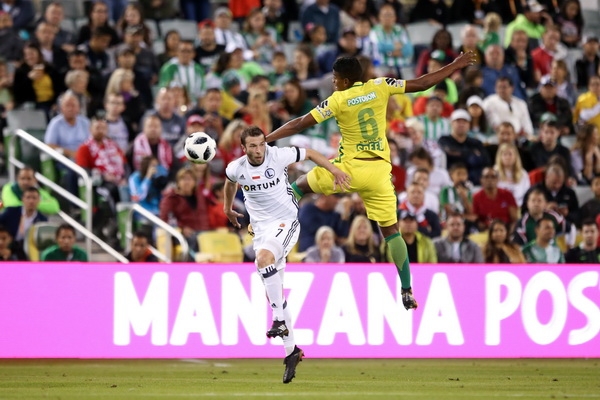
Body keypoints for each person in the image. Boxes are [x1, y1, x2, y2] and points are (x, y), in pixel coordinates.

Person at [265, 54, 476, 310]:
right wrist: (455, 65)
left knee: (300, 185)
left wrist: (267, 139)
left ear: (343, 81)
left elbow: (299, 124)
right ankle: (407, 289)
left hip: (348, 169)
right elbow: (422, 83)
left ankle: (274, 230)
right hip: (378, 173)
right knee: (391, 232)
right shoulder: (380, 85)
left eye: (334, 80)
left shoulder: (338, 99)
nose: (333, 84)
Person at [223, 126, 350, 383]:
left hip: (285, 221)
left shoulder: (278, 155)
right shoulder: (236, 167)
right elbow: (229, 182)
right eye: (253, 146)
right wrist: (227, 208)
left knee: (263, 260)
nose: (259, 150)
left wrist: (334, 170)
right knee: (274, 292)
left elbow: (312, 153)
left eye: (261, 145)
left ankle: (279, 321)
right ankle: (291, 350)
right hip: (260, 230)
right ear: (244, 148)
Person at [0, 187, 48, 255]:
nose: (31, 201)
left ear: (39, 200)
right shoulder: (11, 211)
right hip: (8, 246)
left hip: (29, 251)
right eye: (28, 197)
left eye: (34, 198)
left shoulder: (42, 219)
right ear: (22, 199)